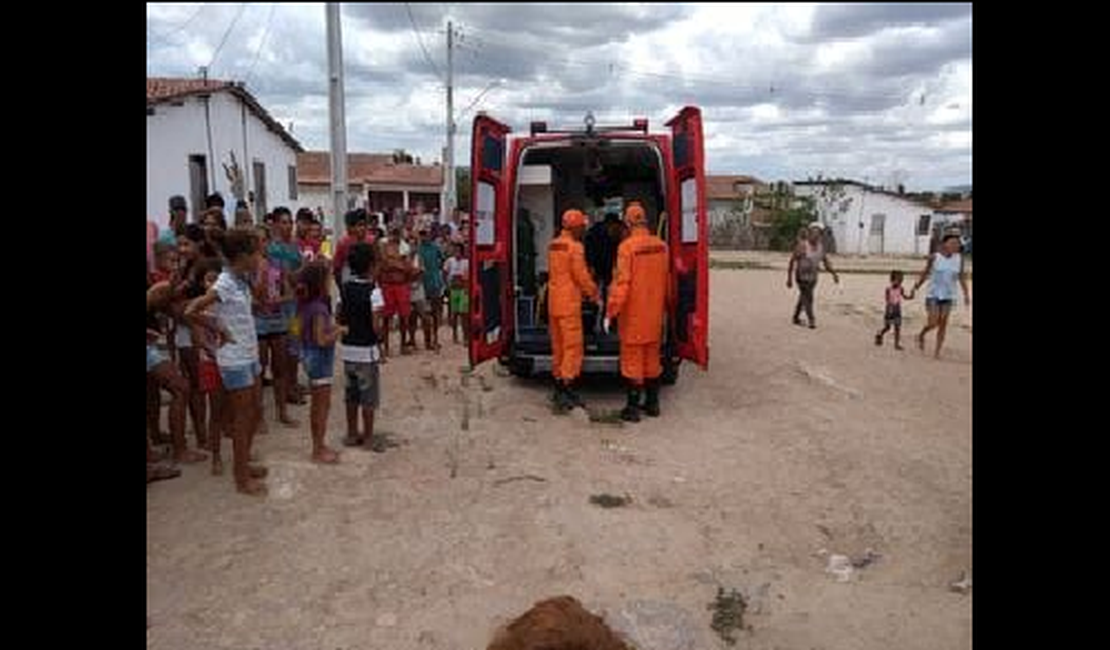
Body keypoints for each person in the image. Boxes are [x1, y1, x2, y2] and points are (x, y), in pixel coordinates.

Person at [186, 227, 268, 496]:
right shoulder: (224, 283)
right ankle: (241, 477)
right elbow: (191, 310)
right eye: (256, 252)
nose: (260, 256)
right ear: (243, 255)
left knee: (254, 411)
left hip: (249, 353)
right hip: (234, 359)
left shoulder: (240, 279)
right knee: (243, 418)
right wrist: (218, 328)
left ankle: (243, 465)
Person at [605, 202, 669, 421]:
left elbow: (621, 284)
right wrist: (667, 307)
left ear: (628, 222)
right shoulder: (661, 246)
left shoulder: (626, 248)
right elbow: (668, 281)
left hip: (633, 316)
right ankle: (653, 404)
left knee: (632, 362)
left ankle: (632, 409)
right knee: (652, 361)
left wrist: (611, 311)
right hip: (654, 316)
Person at [148, 277, 208, 465]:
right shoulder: (163, 289)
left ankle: (155, 439)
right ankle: (180, 451)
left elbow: (176, 312)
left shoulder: (163, 290)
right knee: (180, 388)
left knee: (151, 391)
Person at [547, 209, 599, 411]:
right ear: (576, 227)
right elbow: (581, 276)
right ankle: (567, 390)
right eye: (582, 227)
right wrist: (594, 294)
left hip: (554, 304)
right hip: (569, 304)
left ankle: (558, 387)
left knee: (558, 347)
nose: (583, 230)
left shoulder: (554, 244)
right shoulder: (575, 247)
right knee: (572, 348)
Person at [337, 243, 386, 451]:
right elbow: (376, 325)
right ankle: (368, 437)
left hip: (349, 350)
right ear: (371, 267)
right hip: (367, 351)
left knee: (351, 394)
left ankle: (351, 433)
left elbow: (339, 314)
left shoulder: (345, 288)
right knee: (368, 397)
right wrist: (381, 340)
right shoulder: (374, 292)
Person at [252, 226, 298, 428]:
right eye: (258, 241)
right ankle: (259, 415)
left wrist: (280, 299)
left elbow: (289, 291)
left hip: (277, 319)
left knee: (280, 368)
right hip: (258, 322)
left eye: (264, 240)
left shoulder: (277, 264)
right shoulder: (249, 268)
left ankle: (282, 411)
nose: (262, 244)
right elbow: (250, 296)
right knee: (259, 370)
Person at [299, 261, 344, 464]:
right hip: (319, 359)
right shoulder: (319, 308)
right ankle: (318, 448)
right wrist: (338, 330)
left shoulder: (304, 304)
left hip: (308, 355)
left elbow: (295, 330)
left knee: (318, 405)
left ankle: (319, 445)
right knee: (321, 406)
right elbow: (321, 339)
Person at [268, 207, 307, 407]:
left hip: (295, 305)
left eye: (289, 221)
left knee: (294, 346)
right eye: (283, 222)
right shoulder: (273, 249)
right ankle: (287, 389)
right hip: (281, 307)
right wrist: (302, 271)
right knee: (285, 349)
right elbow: (283, 277)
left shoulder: (293, 246)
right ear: (275, 224)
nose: (288, 225)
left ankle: (293, 384)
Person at [912, 234, 970, 359]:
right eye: (953, 243)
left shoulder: (959, 258)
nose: (956, 245)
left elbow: (961, 277)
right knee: (933, 322)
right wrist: (917, 285)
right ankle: (922, 334)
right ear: (945, 244)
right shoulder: (935, 257)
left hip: (949, 295)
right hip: (933, 294)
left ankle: (937, 352)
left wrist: (966, 294)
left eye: (957, 243)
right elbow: (926, 272)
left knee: (943, 323)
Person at [786, 222, 839, 329]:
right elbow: (792, 261)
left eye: (818, 234)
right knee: (808, 297)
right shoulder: (802, 246)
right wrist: (789, 279)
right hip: (801, 276)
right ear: (809, 234)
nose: (815, 236)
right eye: (813, 233)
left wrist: (834, 274)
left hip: (813, 277)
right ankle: (812, 320)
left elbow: (826, 262)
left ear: (820, 235)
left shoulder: (821, 247)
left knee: (804, 296)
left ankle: (795, 317)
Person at [378, 224, 417, 356]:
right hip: (388, 284)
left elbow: (409, 268)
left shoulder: (405, 246)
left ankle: (402, 345)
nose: (394, 235)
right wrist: (399, 263)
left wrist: (395, 263)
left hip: (401, 284)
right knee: (386, 317)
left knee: (403, 316)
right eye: (392, 233)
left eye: (396, 233)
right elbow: (384, 263)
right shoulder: (383, 245)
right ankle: (386, 347)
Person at [418, 225, 447, 349]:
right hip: (421, 283)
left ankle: (435, 338)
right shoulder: (418, 249)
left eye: (425, 233)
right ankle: (426, 340)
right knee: (423, 314)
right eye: (422, 234)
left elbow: (442, 260)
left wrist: (438, 273)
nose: (424, 236)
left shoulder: (436, 248)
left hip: (434, 282)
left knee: (435, 313)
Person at [875, 270, 915, 350]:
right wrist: (890, 308)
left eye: (901, 280)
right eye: (898, 280)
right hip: (889, 309)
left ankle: (896, 344)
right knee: (887, 327)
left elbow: (905, 297)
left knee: (897, 327)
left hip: (897, 309)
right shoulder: (888, 289)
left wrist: (911, 295)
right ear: (892, 280)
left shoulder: (901, 289)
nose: (900, 282)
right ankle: (880, 334)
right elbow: (887, 300)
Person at [333, 209, 371, 285]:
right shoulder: (343, 243)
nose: (362, 228)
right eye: (359, 225)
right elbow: (337, 268)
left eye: (364, 225)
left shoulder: (372, 241)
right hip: (350, 283)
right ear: (350, 227)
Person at [444, 241, 470, 344]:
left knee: (464, 314)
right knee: (454, 313)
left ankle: (465, 336)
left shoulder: (466, 262)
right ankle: (455, 335)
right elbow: (445, 273)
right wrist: (447, 284)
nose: (457, 252)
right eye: (455, 250)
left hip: (463, 289)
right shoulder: (450, 261)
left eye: (458, 250)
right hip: (454, 289)